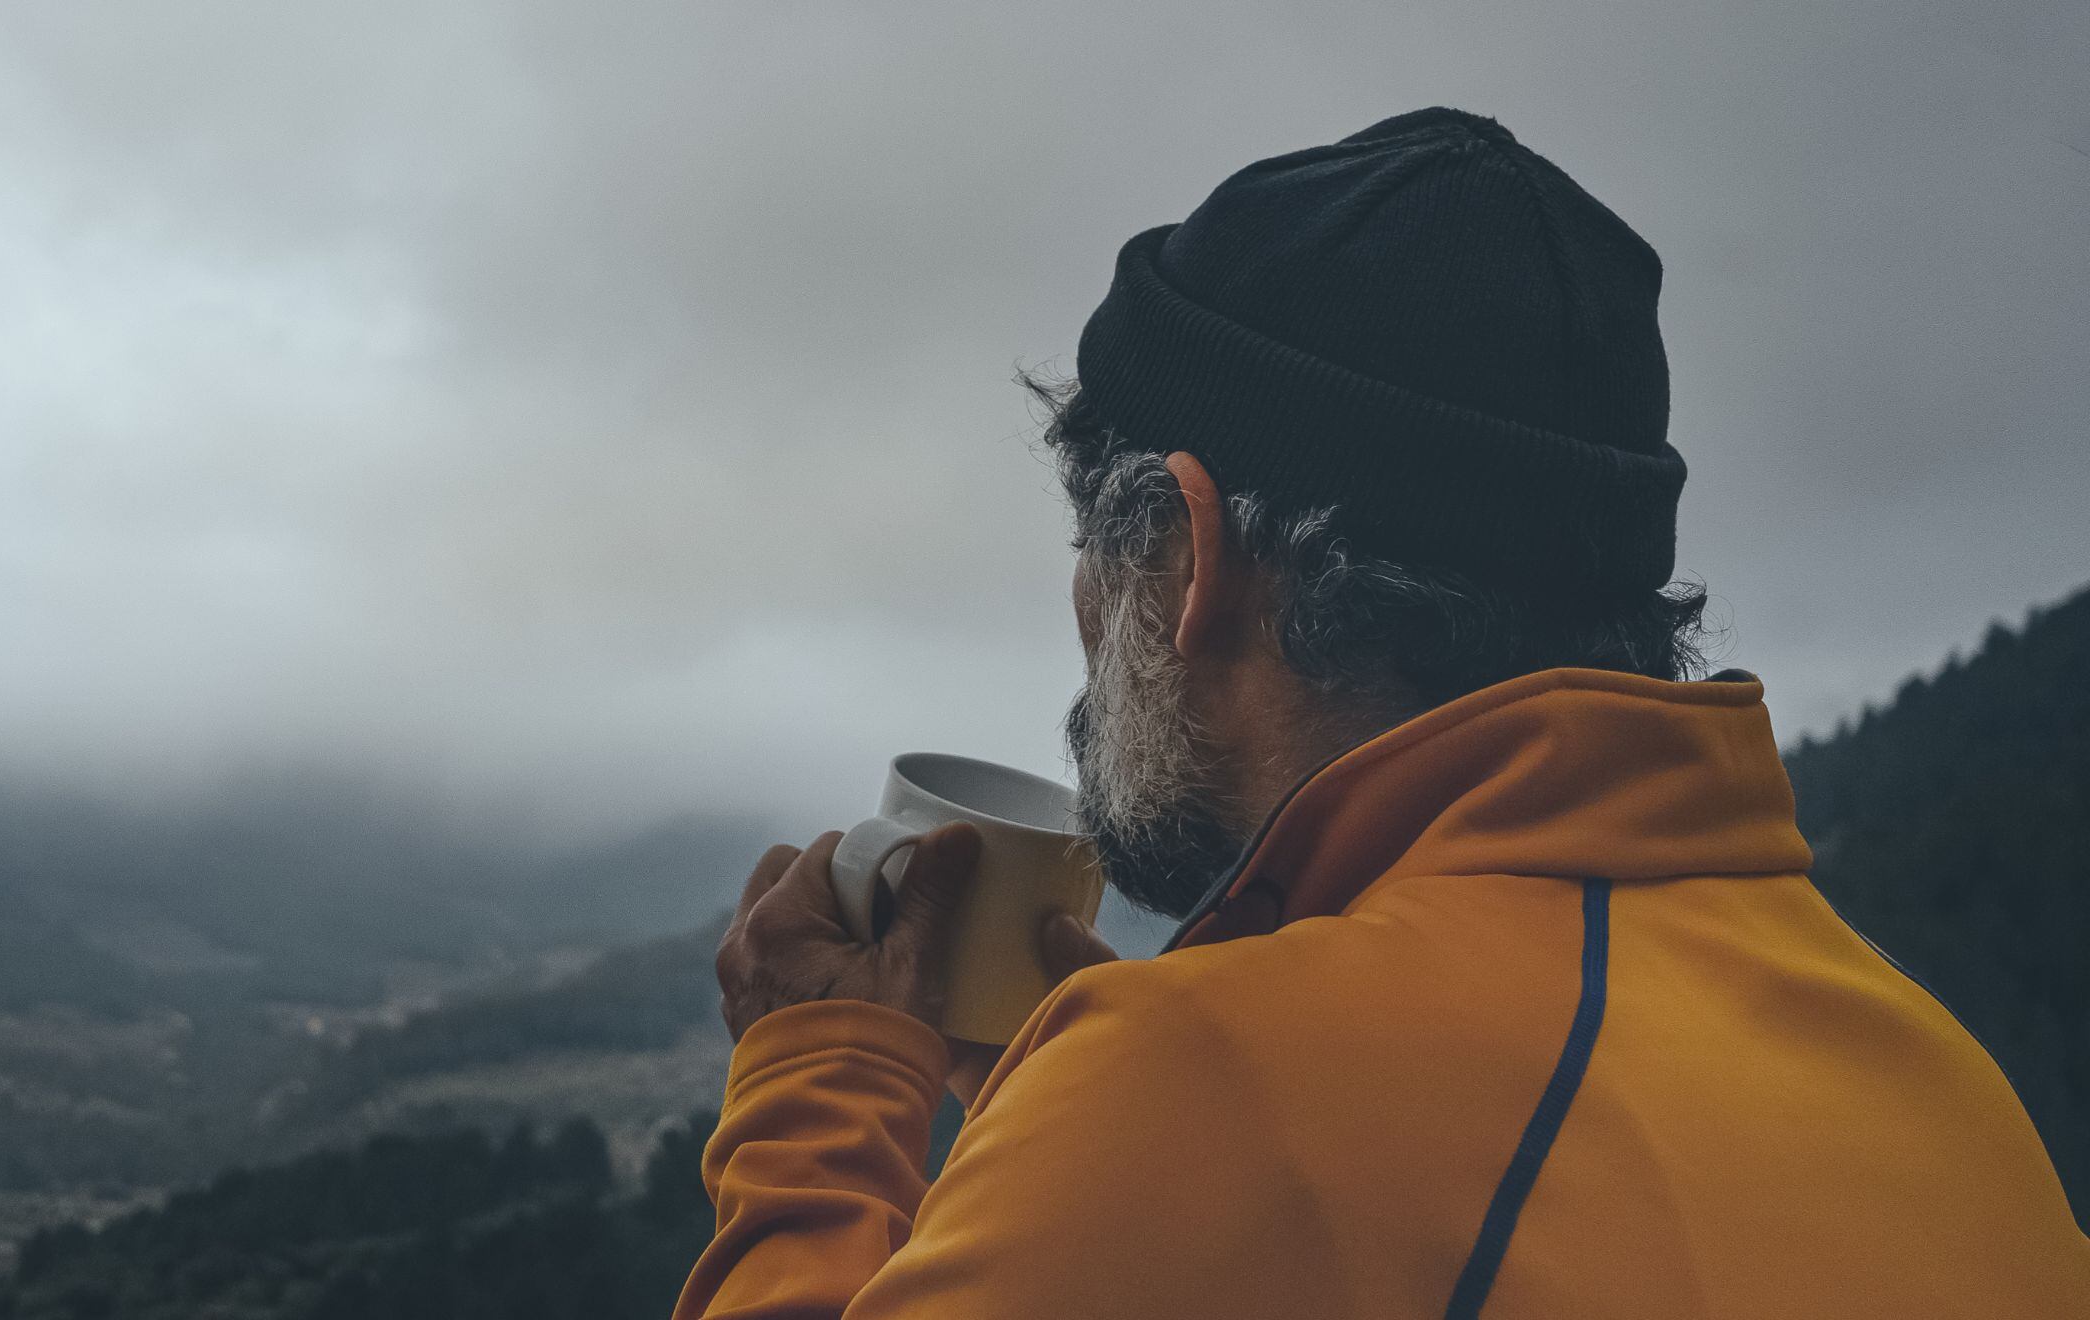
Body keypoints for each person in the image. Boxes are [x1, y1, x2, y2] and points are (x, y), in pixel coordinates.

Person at [677, 106, 2090, 1318]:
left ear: (1193, 560)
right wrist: (1066, 1151)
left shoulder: (1210, 1096)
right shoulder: (1942, 1085)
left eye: (1093, 546)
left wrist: (819, 1097)